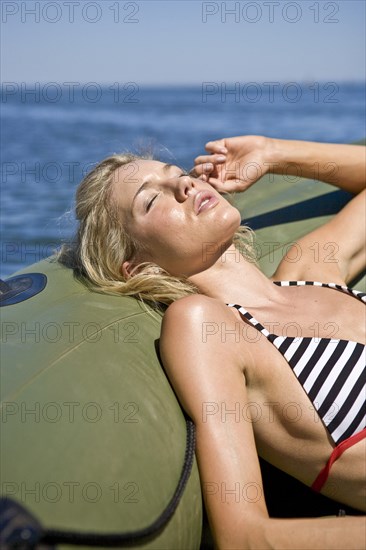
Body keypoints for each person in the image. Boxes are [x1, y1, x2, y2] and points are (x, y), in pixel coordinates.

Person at [60, 135, 365, 549]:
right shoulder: (208, 327)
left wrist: (273, 153)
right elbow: (244, 537)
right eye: (152, 201)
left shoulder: (312, 266)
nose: (184, 186)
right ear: (134, 265)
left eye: (179, 175)